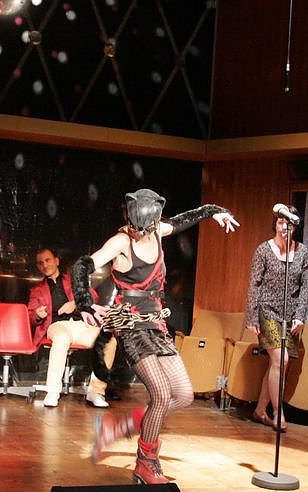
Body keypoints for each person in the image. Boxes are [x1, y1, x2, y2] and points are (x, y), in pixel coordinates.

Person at [72, 189, 238, 485]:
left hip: (155, 324)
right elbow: (82, 266)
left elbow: (186, 219)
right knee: (161, 395)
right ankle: (146, 463)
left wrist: (215, 211)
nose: (139, 232)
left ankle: (125, 426)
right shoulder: (121, 241)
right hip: (130, 325)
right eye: (135, 226)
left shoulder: (159, 230)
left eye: (144, 227)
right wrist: (85, 303)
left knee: (183, 395)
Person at [27, 247, 117, 408]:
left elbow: (93, 295)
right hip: (56, 326)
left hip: (81, 325)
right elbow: (31, 315)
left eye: (47, 260)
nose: (45, 265)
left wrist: (75, 303)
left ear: (56, 261)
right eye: (40, 263)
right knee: (61, 338)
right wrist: (38, 314)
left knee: (109, 340)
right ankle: (53, 391)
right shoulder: (37, 290)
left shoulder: (72, 280)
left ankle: (96, 392)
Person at [245, 205, 307, 433]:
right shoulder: (264, 250)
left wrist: (300, 316)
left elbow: (306, 287)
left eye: (288, 223)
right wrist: (252, 316)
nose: (284, 227)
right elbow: (254, 284)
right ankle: (278, 411)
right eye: (281, 222)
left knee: (277, 365)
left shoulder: (303, 252)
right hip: (267, 311)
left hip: (290, 316)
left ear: (295, 226)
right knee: (281, 360)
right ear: (275, 224)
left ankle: (260, 410)